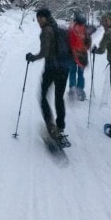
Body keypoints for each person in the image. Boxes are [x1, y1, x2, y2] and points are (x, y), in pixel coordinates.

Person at [26, 8, 71, 147]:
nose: (39, 21)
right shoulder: (60, 29)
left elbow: (44, 52)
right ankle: (60, 126)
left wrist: (32, 57)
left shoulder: (46, 31)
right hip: (64, 68)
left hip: (52, 68)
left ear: (46, 18)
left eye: (41, 18)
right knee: (59, 97)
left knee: (43, 96)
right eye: (38, 18)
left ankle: (51, 127)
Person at [68, 12, 91, 101]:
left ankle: (72, 89)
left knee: (72, 72)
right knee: (81, 74)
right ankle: (80, 91)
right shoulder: (86, 30)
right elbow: (88, 45)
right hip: (82, 56)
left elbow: (67, 40)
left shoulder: (71, 28)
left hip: (71, 54)